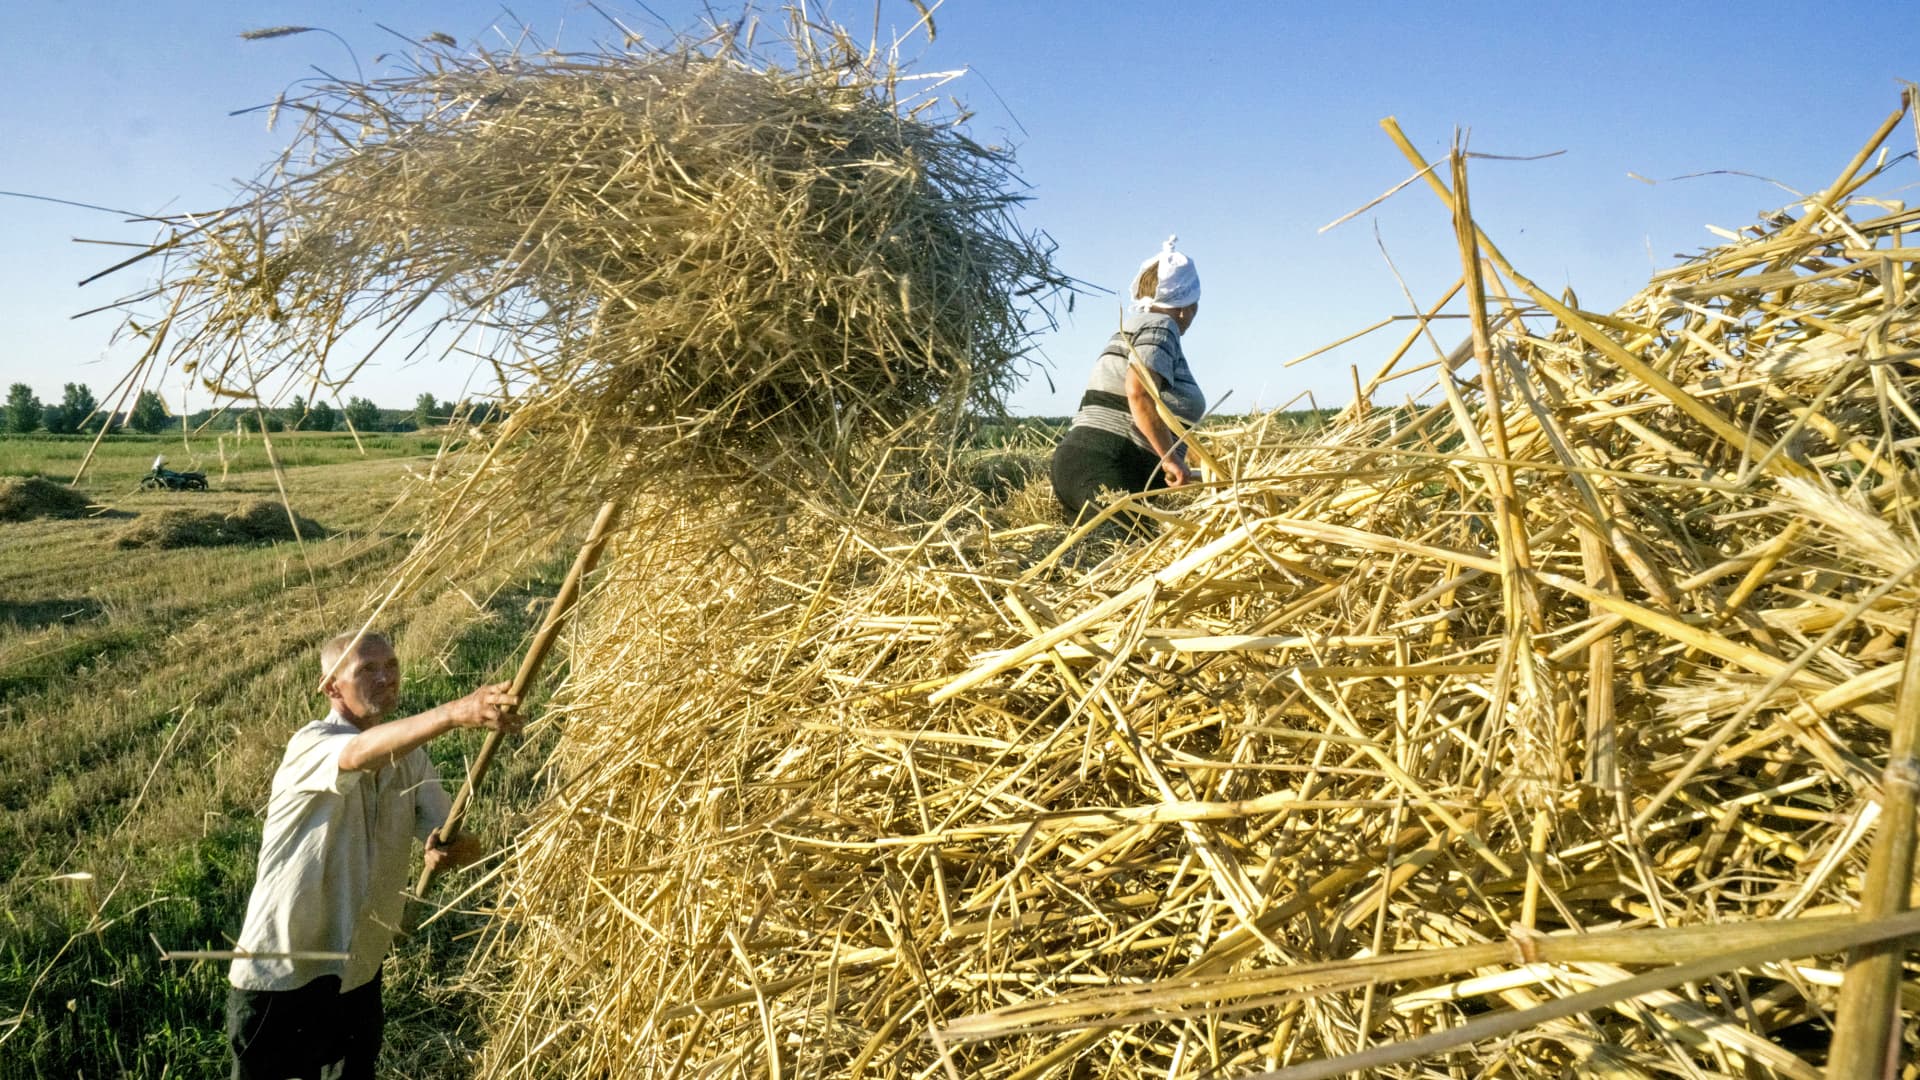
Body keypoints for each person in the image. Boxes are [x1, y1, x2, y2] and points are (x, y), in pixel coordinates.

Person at [224, 630, 521, 1080]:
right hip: (285, 974)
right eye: (367, 669)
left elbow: (463, 841)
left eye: (392, 666)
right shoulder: (310, 744)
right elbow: (359, 753)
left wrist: (451, 849)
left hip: (360, 970)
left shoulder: (411, 758)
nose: (386, 677)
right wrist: (455, 713)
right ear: (331, 686)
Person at [1050, 236, 1207, 532]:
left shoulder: (1133, 327)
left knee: (1096, 567)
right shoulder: (1162, 327)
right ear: (1187, 306)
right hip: (1107, 466)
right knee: (1141, 565)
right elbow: (1138, 391)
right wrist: (1170, 458)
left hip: (1083, 463)